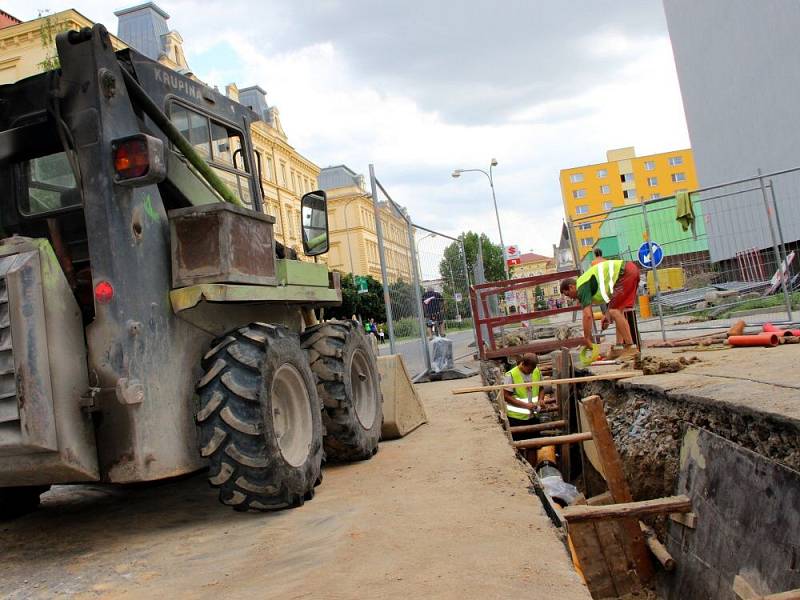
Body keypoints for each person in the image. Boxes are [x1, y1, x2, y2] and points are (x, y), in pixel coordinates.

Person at [560, 259, 641, 356]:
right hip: (629, 270)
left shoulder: (582, 287)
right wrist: (606, 315)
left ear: (571, 287)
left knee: (614, 311)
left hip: (624, 272)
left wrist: (586, 339)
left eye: (568, 294)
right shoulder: (584, 283)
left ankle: (630, 347)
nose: (571, 298)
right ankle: (619, 347)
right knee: (617, 312)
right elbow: (612, 301)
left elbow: (588, 316)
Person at [503, 353, 544, 425]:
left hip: (534, 415)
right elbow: (506, 396)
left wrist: (541, 399)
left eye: (533, 369)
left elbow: (541, 388)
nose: (531, 371)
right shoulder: (511, 375)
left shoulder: (536, 370)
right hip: (516, 418)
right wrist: (525, 405)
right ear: (523, 364)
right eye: (530, 369)